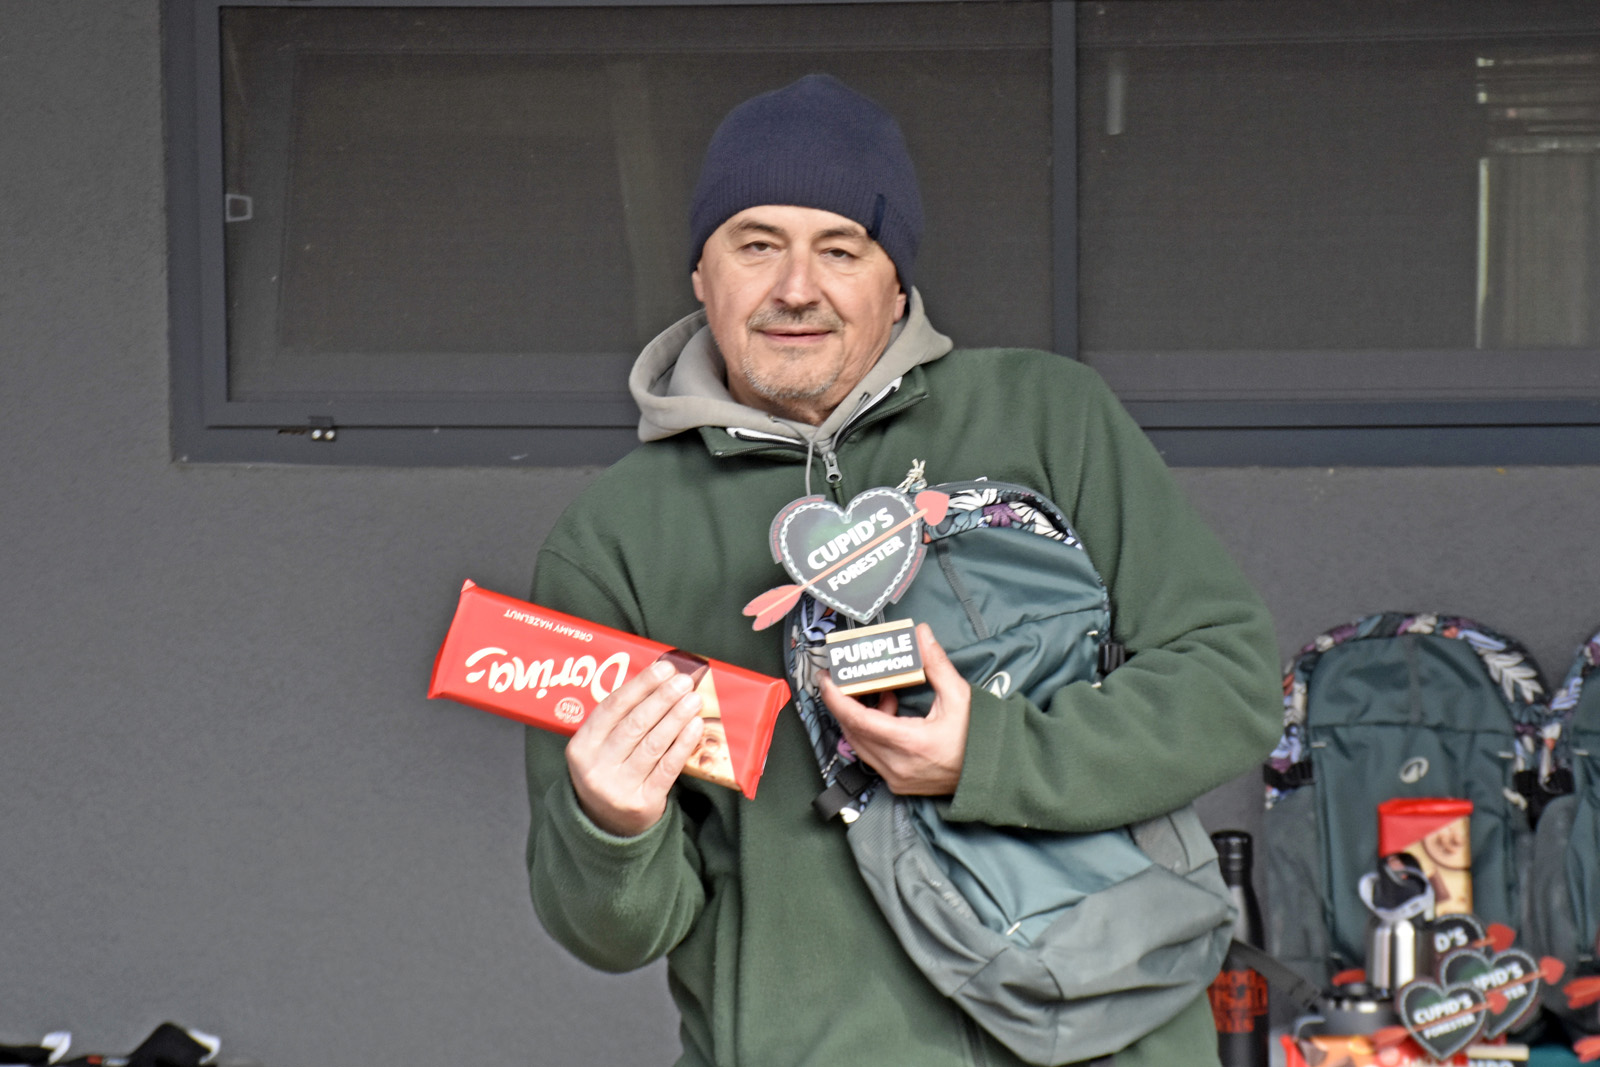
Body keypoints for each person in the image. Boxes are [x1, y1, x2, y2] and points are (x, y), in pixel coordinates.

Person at [524, 73, 1281, 1067]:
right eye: (756, 244)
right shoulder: (613, 539)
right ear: (701, 273)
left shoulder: (1047, 418)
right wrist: (610, 822)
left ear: (896, 283)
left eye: (840, 248)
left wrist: (993, 756)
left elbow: (1229, 680)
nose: (797, 287)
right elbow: (614, 931)